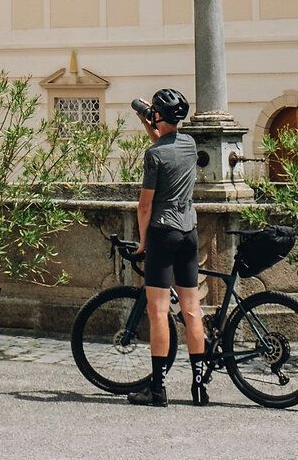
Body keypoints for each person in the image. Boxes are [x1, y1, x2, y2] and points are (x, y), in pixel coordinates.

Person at [131, 87, 208, 407]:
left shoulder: (154, 156)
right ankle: (199, 388)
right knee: (191, 310)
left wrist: (143, 241)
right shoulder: (189, 144)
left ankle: (158, 390)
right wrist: (148, 121)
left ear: (159, 115)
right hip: (189, 232)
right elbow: (166, 144)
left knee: (159, 311)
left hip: (163, 233)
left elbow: (145, 206)